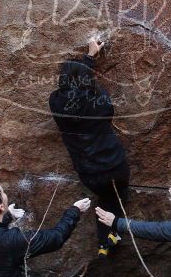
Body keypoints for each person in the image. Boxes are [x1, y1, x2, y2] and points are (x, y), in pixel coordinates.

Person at [49, 36, 129, 256]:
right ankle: (110, 235)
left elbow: (71, 92)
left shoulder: (55, 102)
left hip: (90, 173)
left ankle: (107, 239)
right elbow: (106, 108)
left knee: (106, 196)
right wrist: (89, 59)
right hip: (115, 166)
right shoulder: (98, 100)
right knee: (114, 196)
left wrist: (87, 59)